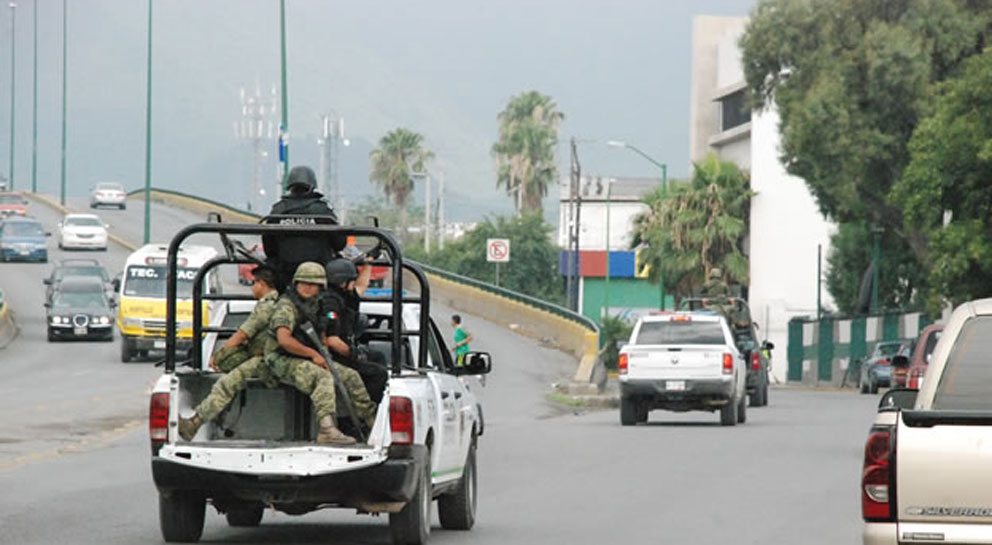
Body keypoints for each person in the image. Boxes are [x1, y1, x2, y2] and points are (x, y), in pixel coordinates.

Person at [265, 262, 376, 445]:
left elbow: (323, 331)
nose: (308, 288)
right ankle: (327, 430)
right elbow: (284, 340)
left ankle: (371, 422)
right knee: (323, 377)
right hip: (281, 357)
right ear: (296, 283)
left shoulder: (317, 304)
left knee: (350, 376)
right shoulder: (287, 306)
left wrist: (322, 349)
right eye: (304, 283)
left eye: (313, 284)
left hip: (305, 355)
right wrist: (313, 354)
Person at [177, 266, 280, 441]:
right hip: (268, 357)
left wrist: (219, 355)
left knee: (225, 383)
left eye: (254, 283)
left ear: (262, 284)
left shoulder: (266, 307)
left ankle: (194, 423)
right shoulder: (278, 303)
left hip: (267, 360)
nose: (252, 288)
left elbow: (242, 334)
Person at [262, 166, 347, 291]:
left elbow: (269, 249)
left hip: (285, 278)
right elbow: (340, 244)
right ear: (312, 184)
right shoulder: (322, 211)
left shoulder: (278, 210)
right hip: (320, 277)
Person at [322, 258, 388, 403]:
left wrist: (369, 263)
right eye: (352, 279)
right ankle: (366, 416)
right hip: (335, 356)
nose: (355, 282)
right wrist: (354, 354)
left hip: (343, 351)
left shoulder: (344, 296)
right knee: (378, 374)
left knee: (377, 357)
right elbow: (332, 340)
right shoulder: (330, 303)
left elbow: (361, 285)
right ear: (342, 281)